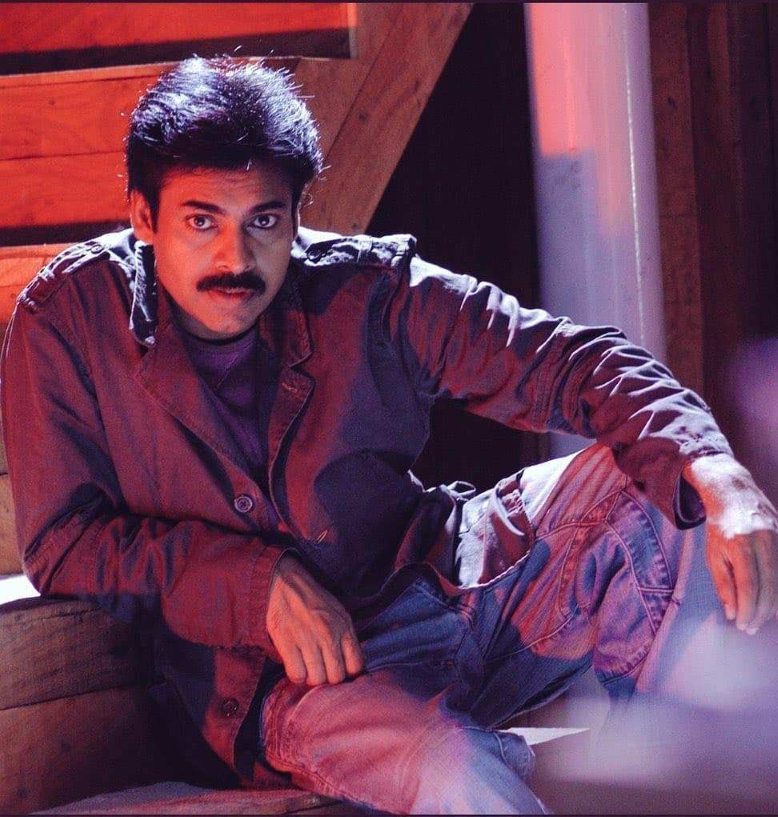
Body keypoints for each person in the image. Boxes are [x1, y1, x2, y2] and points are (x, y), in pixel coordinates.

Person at [1, 56, 776, 814]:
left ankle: (677, 782)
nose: (235, 258)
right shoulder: (67, 319)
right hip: (287, 684)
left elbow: (571, 361)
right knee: (449, 767)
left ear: (296, 214)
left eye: (263, 221)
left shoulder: (365, 289)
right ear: (143, 216)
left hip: (448, 585)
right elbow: (65, 543)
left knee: (666, 483)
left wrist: (719, 473)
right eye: (201, 221)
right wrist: (253, 583)